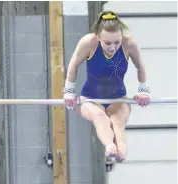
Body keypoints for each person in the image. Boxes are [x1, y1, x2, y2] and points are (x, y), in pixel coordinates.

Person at [63, 10, 151, 163]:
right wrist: (69, 92)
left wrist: (143, 91)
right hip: (90, 98)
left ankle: (121, 152)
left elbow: (140, 66)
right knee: (99, 117)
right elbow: (73, 65)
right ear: (98, 36)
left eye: (117, 42)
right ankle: (110, 146)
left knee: (118, 121)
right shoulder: (88, 42)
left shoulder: (129, 44)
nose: (113, 47)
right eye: (108, 43)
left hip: (118, 98)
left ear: (121, 36)